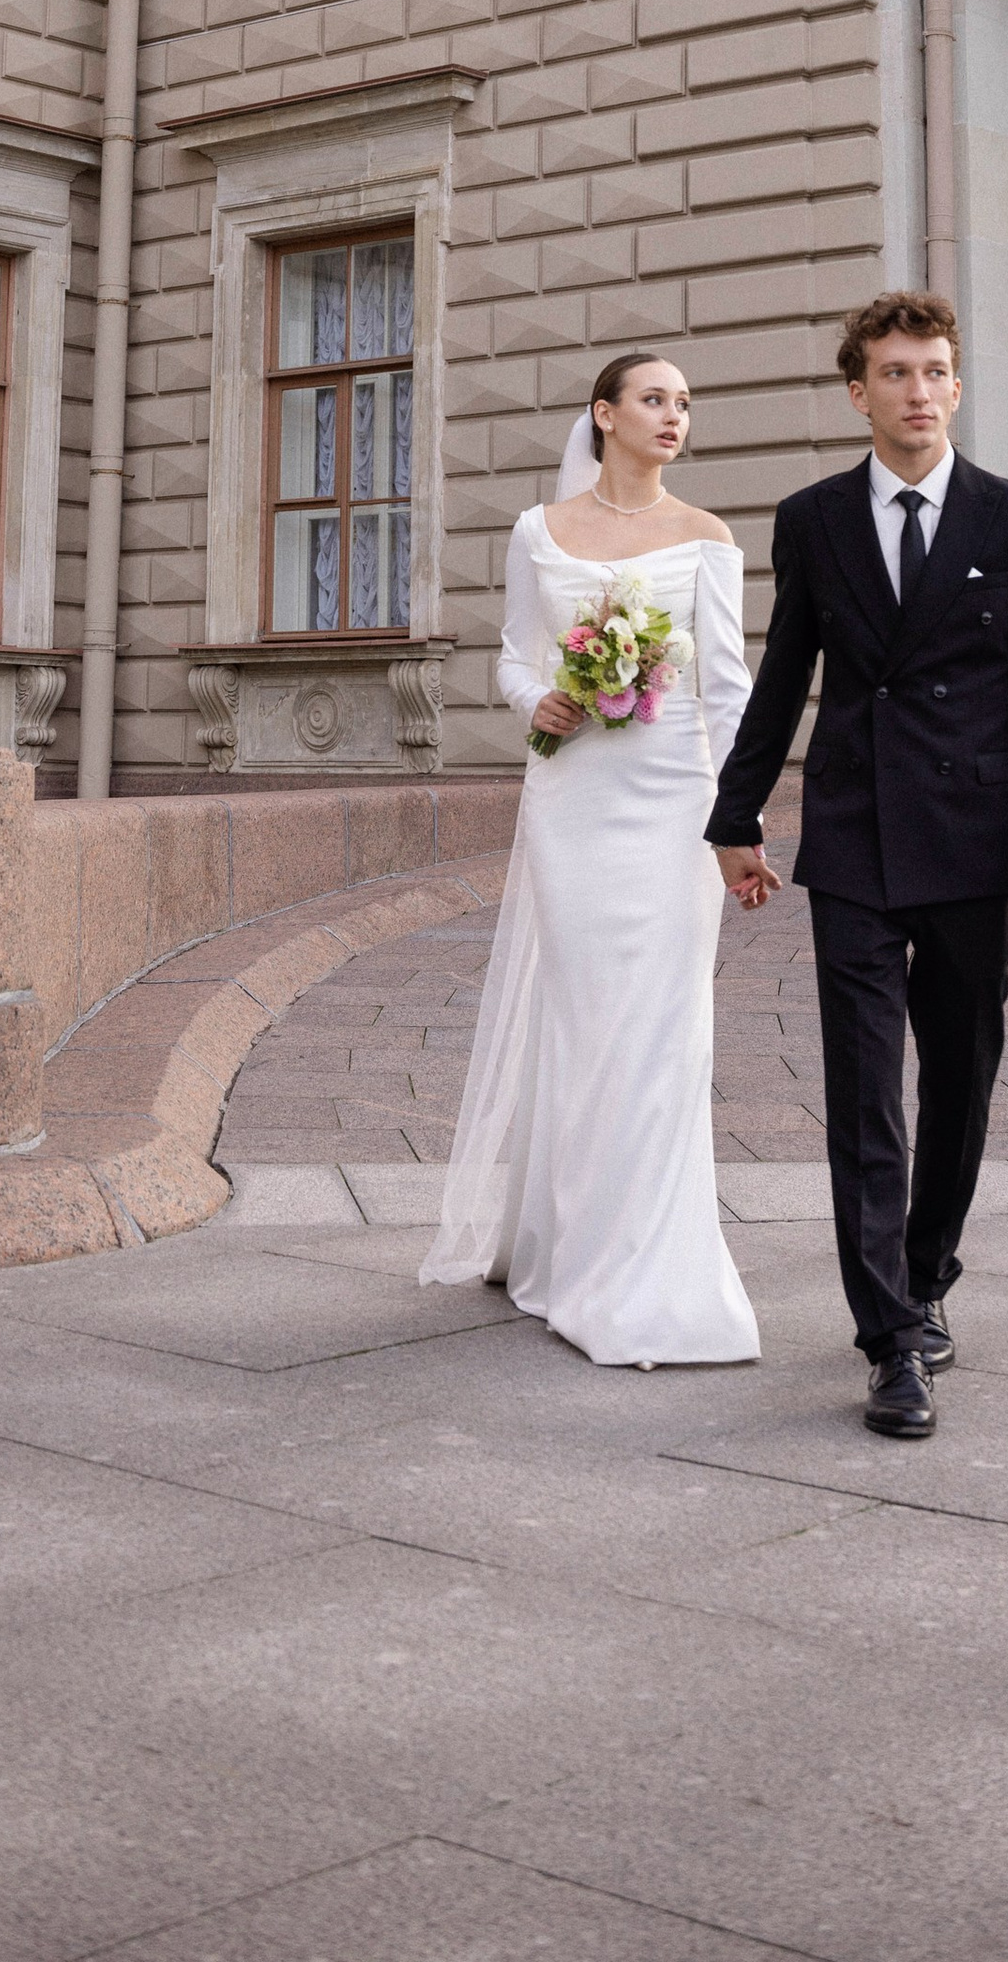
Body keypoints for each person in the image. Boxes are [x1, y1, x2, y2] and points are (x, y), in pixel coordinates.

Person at [707, 292, 1008, 1442]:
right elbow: (785, 678)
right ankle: (888, 1339)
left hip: (976, 844)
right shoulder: (813, 519)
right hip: (857, 838)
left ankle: (925, 1278)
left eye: (933, 372)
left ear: (955, 388)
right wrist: (737, 814)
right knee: (864, 1091)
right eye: (894, 372)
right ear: (857, 391)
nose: (916, 391)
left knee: (959, 1080)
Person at [421, 351, 760, 1365]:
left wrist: (735, 820)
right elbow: (513, 655)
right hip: (573, 796)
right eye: (654, 399)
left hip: (673, 804)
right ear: (603, 414)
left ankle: (655, 1266)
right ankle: (567, 1245)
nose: (674, 416)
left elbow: (731, 690)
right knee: (580, 1020)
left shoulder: (708, 538)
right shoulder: (539, 531)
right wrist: (542, 703)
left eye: (685, 403)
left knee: (665, 1027)